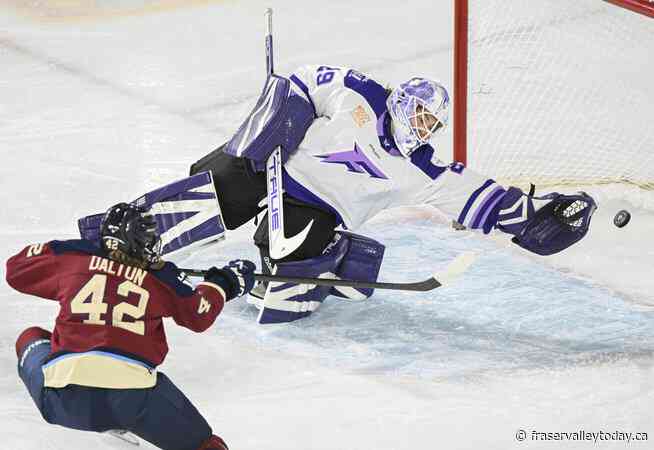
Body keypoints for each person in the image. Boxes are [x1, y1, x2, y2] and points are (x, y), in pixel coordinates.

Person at [78, 64, 596, 325]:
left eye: (431, 122)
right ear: (400, 101)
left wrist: (541, 221)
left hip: (314, 207)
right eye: (417, 113)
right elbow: (300, 80)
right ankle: (116, 238)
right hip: (272, 163)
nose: (422, 126)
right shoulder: (359, 92)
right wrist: (276, 124)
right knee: (216, 186)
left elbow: (486, 202)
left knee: (289, 263)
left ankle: (329, 266)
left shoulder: (423, 169)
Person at [6, 203, 256, 450]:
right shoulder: (161, 278)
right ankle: (121, 422)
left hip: (62, 401)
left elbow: (15, 270)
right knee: (206, 445)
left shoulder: (73, 258)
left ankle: (103, 420)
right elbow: (200, 314)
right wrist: (226, 282)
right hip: (133, 402)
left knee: (31, 337)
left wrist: (74, 250)